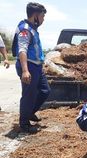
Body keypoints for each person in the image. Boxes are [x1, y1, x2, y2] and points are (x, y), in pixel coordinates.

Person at [12, 2, 50, 133]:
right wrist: (25, 70)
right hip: (28, 66)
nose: (43, 20)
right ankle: (24, 123)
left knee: (45, 91)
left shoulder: (33, 29)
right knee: (29, 95)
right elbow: (22, 50)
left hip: (37, 66)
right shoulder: (25, 29)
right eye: (42, 16)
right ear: (35, 15)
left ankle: (29, 112)